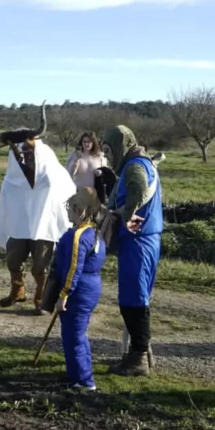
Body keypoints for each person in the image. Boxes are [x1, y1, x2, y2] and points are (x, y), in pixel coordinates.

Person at [0, 102, 78, 314]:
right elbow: (8, 194)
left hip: (43, 222)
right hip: (19, 223)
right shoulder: (12, 176)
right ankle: (17, 291)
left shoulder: (50, 169)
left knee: (41, 264)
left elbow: (64, 190)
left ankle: (41, 296)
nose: (22, 155)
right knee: (14, 258)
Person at [104, 125, 164, 377]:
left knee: (133, 299)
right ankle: (143, 354)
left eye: (109, 150)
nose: (107, 156)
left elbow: (138, 190)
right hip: (147, 239)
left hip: (137, 241)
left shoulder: (135, 166)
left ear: (121, 146)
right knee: (138, 297)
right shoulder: (142, 161)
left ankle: (138, 357)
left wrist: (126, 215)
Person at [54, 187, 107, 391]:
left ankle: (84, 381)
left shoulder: (77, 236)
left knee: (73, 336)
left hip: (79, 290)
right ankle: (76, 374)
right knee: (78, 334)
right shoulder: (95, 233)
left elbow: (73, 268)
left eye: (69, 208)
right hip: (91, 287)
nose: (67, 213)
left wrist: (64, 295)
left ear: (78, 209)